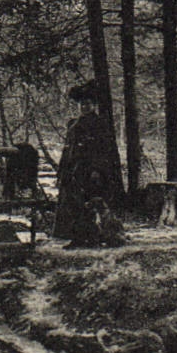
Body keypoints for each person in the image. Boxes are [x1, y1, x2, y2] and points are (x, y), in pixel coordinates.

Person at [51, 80, 125, 246]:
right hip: (72, 171)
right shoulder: (73, 124)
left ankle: (93, 236)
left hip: (89, 171)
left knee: (89, 204)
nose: (84, 107)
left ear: (94, 105)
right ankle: (77, 238)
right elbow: (67, 149)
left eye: (88, 104)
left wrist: (97, 170)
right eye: (82, 104)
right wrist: (62, 171)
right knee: (72, 205)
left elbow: (102, 150)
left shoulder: (99, 124)